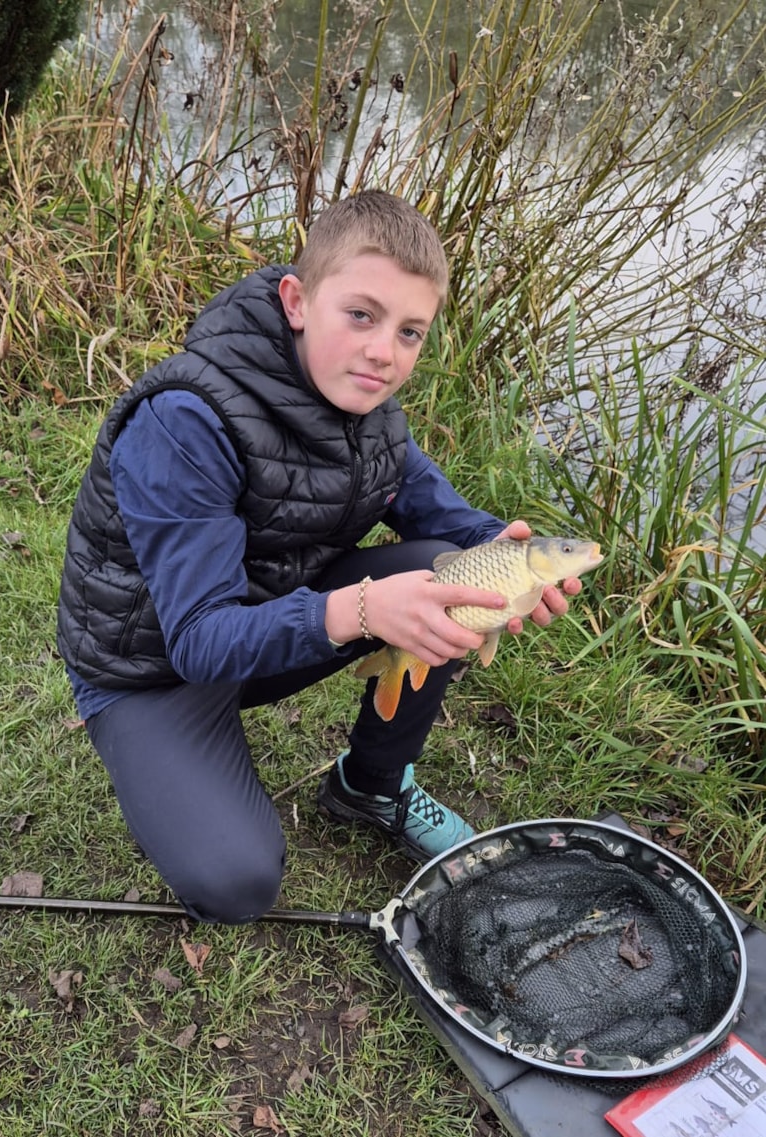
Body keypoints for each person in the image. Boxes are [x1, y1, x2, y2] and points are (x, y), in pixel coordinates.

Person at [57, 190, 581, 925]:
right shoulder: (184, 423)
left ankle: (371, 784)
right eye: (361, 316)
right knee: (236, 880)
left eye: (410, 332)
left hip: (266, 624)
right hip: (150, 667)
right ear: (297, 300)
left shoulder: (371, 410)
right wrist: (362, 608)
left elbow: (450, 521)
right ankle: (174, 764)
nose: (384, 353)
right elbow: (201, 640)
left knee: (445, 568)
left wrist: (517, 560)